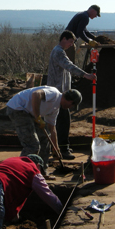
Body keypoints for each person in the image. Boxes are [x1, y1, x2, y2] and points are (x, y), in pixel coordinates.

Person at [47, 30, 97, 159]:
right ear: (64, 38)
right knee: (63, 122)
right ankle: (63, 149)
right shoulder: (58, 52)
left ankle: (58, 148)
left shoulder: (59, 51)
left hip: (60, 93)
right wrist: (85, 75)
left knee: (60, 122)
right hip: (59, 94)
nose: (71, 44)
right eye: (70, 42)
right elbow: (69, 66)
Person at [6, 85, 82, 167]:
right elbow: (36, 94)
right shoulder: (54, 93)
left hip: (29, 113)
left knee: (45, 139)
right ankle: (21, 170)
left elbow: (52, 128)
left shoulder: (55, 109)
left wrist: (55, 148)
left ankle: (42, 170)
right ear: (70, 101)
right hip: (18, 108)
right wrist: (37, 117)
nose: (70, 107)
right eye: (72, 105)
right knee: (32, 145)